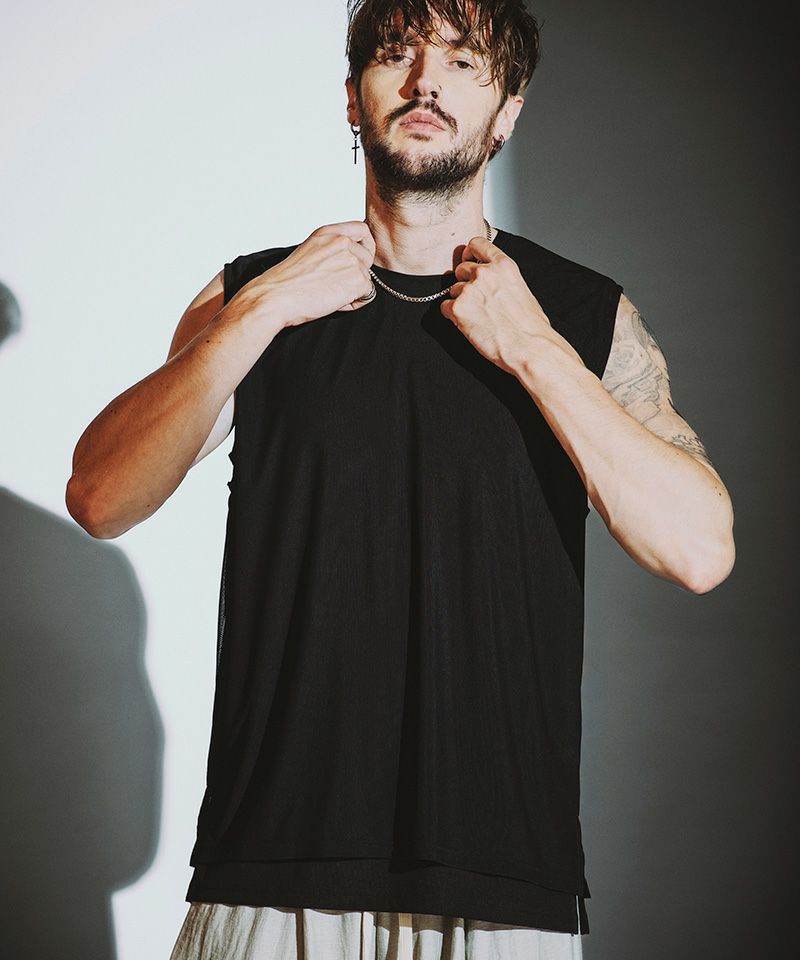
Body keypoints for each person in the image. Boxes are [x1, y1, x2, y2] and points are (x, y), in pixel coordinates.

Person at [66, 0, 736, 957]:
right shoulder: (257, 298)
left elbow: (700, 550)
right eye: (396, 54)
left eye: (463, 62)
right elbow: (100, 498)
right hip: (274, 870)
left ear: (507, 113)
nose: (425, 81)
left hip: (503, 886)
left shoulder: (579, 316)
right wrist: (259, 310)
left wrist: (535, 349)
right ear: (353, 98)